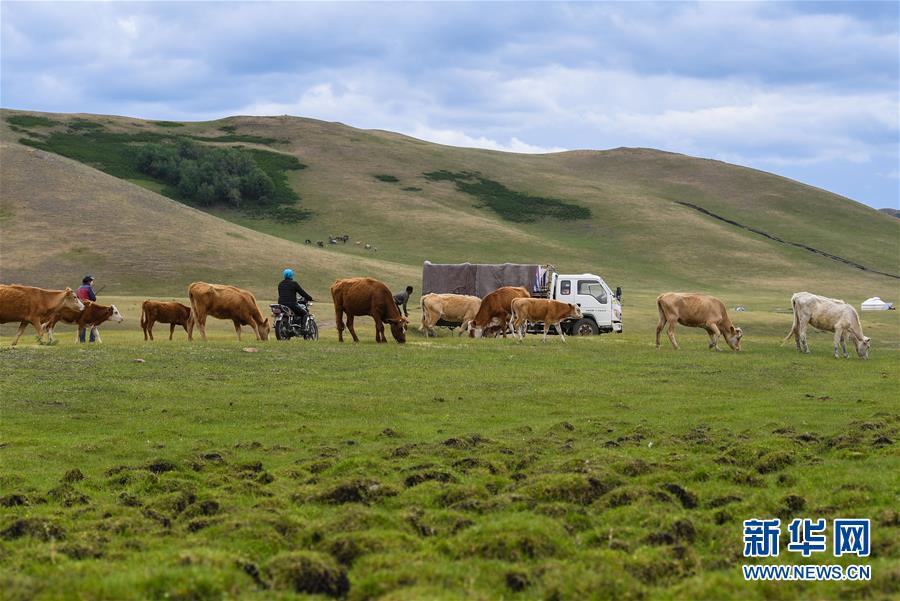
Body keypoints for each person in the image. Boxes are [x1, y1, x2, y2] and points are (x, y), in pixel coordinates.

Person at [76, 275, 98, 343]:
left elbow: (77, 297)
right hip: (88, 308)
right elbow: (94, 299)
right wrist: (93, 295)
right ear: (89, 281)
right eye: (92, 281)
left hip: (80, 309)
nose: (92, 282)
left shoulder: (79, 288)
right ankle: (92, 340)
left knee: (82, 324)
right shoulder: (88, 288)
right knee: (93, 323)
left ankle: (82, 341)